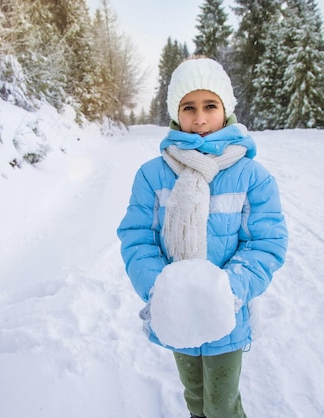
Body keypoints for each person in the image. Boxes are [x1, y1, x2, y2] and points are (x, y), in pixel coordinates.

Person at [116, 57, 288, 418]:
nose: (199, 118)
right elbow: (137, 239)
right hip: (176, 312)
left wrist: (228, 291)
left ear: (226, 109)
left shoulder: (252, 176)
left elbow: (266, 242)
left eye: (210, 106)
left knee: (222, 405)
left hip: (228, 312)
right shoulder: (152, 175)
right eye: (188, 107)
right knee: (194, 395)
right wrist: (160, 289)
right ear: (176, 114)